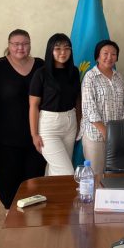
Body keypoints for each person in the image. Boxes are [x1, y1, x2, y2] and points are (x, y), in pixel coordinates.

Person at [0, 29, 46, 210]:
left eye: (25, 44)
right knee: (7, 178)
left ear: (30, 45)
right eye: (16, 44)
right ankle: (10, 212)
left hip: (35, 134)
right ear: (9, 45)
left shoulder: (41, 65)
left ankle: (31, 214)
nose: (20, 48)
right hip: (3, 136)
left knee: (34, 177)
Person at [29, 33, 81, 176]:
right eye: (57, 48)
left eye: (67, 48)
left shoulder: (74, 72)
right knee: (66, 171)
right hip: (49, 125)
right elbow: (33, 105)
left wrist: (78, 122)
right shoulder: (41, 73)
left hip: (70, 123)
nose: (63, 52)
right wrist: (34, 134)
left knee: (56, 169)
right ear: (50, 50)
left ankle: (50, 191)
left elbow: (77, 99)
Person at [80, 40, 124, 175]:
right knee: (96, 174)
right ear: (97, 56)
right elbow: (90, 109)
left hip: (117, 135)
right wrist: (106, 132)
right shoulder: (90, 77)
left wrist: (120, 131)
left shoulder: (119, 77)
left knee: (114, 175)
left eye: (113, 54)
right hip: (95, 135)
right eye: (105, 53)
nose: (109, 57)